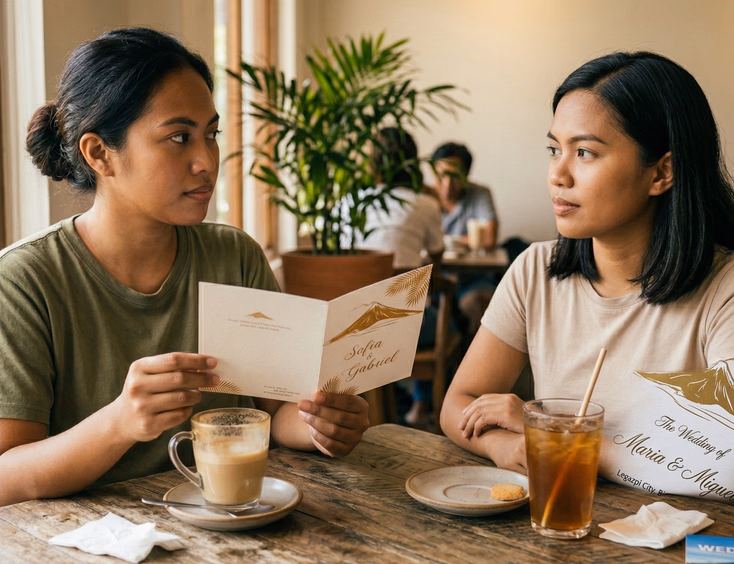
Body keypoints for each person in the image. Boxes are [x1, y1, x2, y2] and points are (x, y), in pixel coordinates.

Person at [0, 27, 369, 507]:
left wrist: (323, 423)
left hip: (228, 525)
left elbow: (277, 413)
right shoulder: (24, 280)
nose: (207, 161)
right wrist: (120, 422)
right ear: (99, 154)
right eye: (178, 137)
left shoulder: (234, 256)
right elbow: (7, 474)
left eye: (210, 134)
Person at [441, 51, 734, 503]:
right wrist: (506, 446)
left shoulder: (724, 288)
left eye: (585, 152)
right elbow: (460, 402)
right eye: (554, 149)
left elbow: (727, 462)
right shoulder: (535, 271)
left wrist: (555, 435)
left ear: (661, 172)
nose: (557, 174)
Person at [358, 127, 446, 427]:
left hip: (355, 324)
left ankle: (385, 402)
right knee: (444, 315)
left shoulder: (351, 203)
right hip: (405, 327)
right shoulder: (424, 204)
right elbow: (437, 258)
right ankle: (424, 405)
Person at [431, 142, 500, 335]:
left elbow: (489, 237)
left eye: (455, 177)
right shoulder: (424, 198)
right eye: (441, 175)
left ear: (466, 176)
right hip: (434, 279)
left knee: (480, 302)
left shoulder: (479, 194)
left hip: (471, 277)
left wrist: (445, 241)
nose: (447, 184)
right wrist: (465, 239)